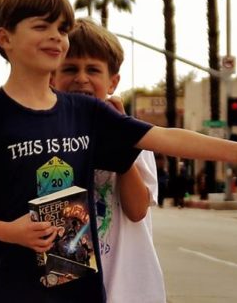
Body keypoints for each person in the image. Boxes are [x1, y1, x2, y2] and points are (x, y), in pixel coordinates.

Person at [0, 0, 237, 302]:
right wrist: (10, 232)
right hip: (7, 290)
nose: (56, 37)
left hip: (78, 289)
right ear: (5, 38)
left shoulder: (86, 112)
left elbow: (164, 138)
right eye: (42, 27)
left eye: (62, 29)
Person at [52, 18, 165, 302]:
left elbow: (137, 210)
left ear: (112, 81)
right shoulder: (46, 139)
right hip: (72, 284)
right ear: (51, 77)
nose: (81, 77)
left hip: (129, 290)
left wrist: (119, 143)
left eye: (93, 69)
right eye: (69, 68)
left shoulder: (135, 137)